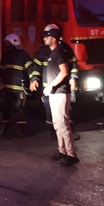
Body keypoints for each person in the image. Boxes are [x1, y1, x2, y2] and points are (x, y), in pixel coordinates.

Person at [33, 25, 78, 167]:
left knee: (63, 124)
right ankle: (62, 151)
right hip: (54, 93)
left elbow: (64, 72)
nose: (44, 38)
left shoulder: (59, 52)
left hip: (60, 93)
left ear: (53, 39)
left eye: (46, 36)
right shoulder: (52, 53)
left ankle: (71, 155)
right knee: (57, 124)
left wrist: (51, 86)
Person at [0, 33, 32, 137]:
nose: (6, 45)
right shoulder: (6, 56)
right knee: (4, 108)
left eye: (8, 43)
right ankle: (6, 127)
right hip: (7, 88)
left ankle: (21, 130)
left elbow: (30, 69)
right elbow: (1, 70)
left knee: (21, 109)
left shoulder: (23, 55)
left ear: (14, 42)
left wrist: (33, 80)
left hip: (20, 88)